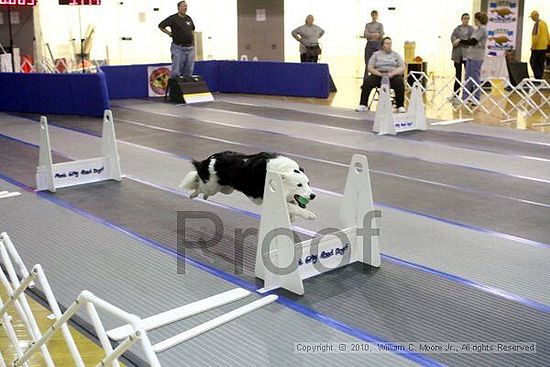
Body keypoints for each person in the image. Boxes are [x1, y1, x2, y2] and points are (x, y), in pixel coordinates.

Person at [356, 37, 406, 113]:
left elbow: (402, 67)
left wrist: (392, 74)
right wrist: (379, 74)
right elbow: (370, 67)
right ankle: (363, 104)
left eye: (390, 43)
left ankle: (400, 106)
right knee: (367, 82)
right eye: (387, 43)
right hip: (379, 74)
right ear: (382, 45)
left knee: (400, 82)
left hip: (392, 75)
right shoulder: (376, 55)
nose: (389, 45)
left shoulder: (396, 55)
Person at [454, 12, 488, 106]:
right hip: (470, 55)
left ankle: (476, 98)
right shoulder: (477, 29)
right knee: (467, 77)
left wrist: (460, 41)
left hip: (477, 57)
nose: (474, 21)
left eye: (475, 19)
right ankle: (464, 97)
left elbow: (473, 41)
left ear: (478, 19)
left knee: (475, 77)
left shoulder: (482, 29)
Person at [158, 1, 196, 78]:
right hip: (178, 47)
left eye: (186, 6)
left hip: (190, 48)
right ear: (179, 7)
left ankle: (187, 87)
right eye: (183, 6)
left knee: (189, 70)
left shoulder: (188, 18)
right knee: (176, 71)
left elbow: (192, 30)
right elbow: (161, 26)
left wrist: (193, 44)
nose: (185, 8)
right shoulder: (173, 18)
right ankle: (176, 88)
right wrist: (169, 33)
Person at [450, 13, 474, 101]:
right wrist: (456, 41)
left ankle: (469, 95)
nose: (466, 20)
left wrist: (460, 41)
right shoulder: (457, 29)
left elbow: (471, 41)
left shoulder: (471, 29)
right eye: (464, 18)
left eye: (467, 18)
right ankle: (456, 94)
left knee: (468, 75)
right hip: (458, 55)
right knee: (458, 75)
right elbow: (453, 38)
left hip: (467, 55)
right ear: (461, 19)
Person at [529, 10, 550, 80]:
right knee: (541, 64)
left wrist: (533, 46)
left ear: (536, 16)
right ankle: (540, 79)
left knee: (533, 62)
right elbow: (548, 35)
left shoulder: (537, 24)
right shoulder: (544, 23)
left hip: (537, 48)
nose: (532, 19)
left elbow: (536, 36)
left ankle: (537, 78)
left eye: (532, 17)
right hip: (544, 48)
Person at [363, 10, 384, 77]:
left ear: (377, 16)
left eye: (375, 15)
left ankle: (379, 79)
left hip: (378, 44)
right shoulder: (368, 25)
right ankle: (366, 81)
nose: (374, 17)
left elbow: (381, 35)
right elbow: (366, 34)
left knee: (379, 63)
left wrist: (371, 35)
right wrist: (375, 35)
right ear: (371, 16)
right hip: (369, 44)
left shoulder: (380, 25)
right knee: (367, 63)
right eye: (373, 15)